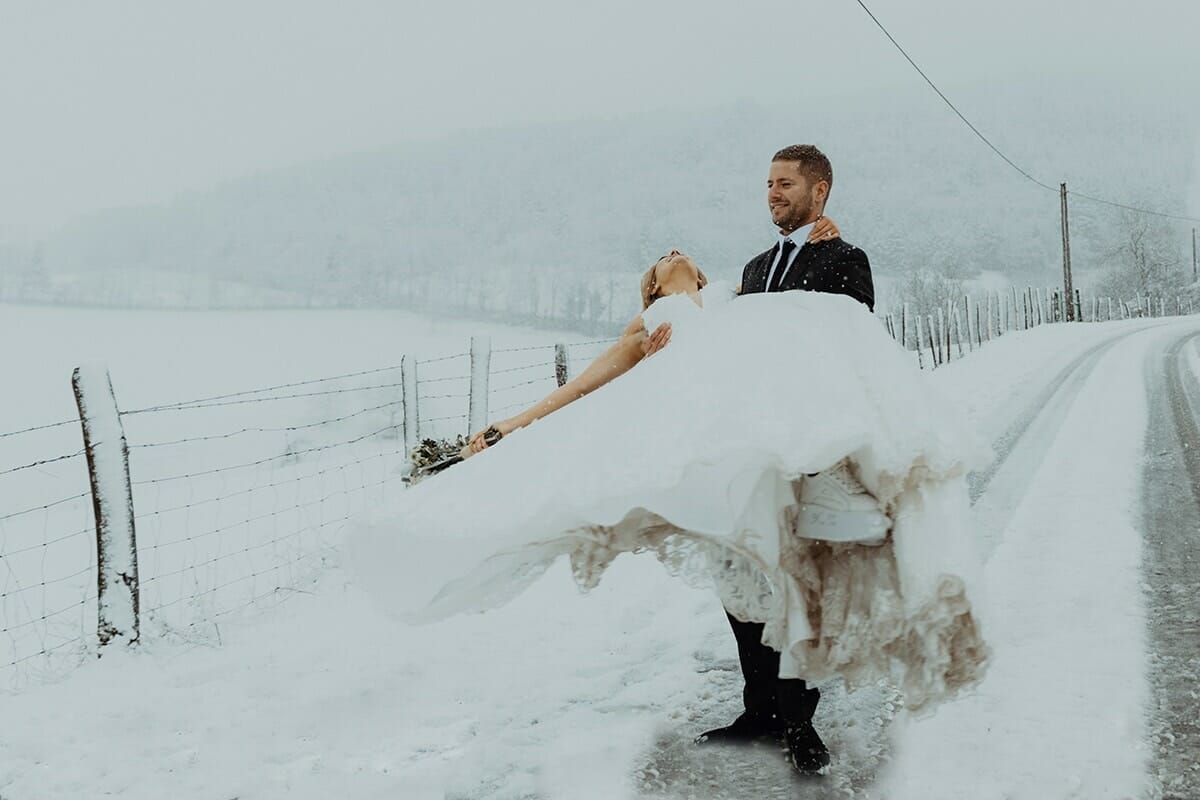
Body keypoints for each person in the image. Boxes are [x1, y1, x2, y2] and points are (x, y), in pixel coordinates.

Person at [346, 150, 989, 779]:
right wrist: (517, 425)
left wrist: (824, 253)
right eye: (767, 183)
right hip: (732, 456)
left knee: (801, 583)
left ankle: (800, 721)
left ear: (819, 193)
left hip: (807, 455)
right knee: (741, 581)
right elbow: (666, 369)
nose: (772, 194)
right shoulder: (750, 271)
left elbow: (847, 344)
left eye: (785, 184)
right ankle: (758, 710)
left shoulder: (846, 260)